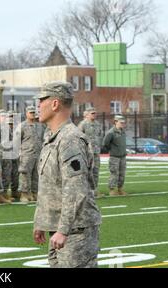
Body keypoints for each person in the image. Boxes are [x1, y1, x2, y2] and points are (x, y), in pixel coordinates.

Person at [32, 82, 102, 268]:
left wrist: (63, 230)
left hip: (75, 231)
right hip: (61, 230)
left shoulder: (70, 139)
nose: (37, 106)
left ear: (55, 104)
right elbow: (50, 186)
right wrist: (41, 222)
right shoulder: (53, 137)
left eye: (41, 101)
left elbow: (76, 189)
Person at [15, 106, 45, 203]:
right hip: (26, 154)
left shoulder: (40, 126)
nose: (32, 114)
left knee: (37, 175)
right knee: (25, 174)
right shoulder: (22, 126)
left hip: (38, 153)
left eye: (33, 112)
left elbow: (44, 138)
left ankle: (34, 193)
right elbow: (16, 141)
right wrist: (19, 152)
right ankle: (24, 194)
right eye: (30, 112)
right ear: (26, 113)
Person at [78, 107, 104, 198]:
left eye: (95, 113)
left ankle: (94, 190)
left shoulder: (97, 124)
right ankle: (86, 191)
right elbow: (79, 138)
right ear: (87, 114)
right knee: (87, 172)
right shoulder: (83, 124)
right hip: (87, 152)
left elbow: (100, 135)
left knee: (96, 171)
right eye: (92, 113)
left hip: (96, 152)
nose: (94, 115)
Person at [103, 115, 127, 197]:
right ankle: (112, 189)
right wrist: (112, 150)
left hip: (123, 156)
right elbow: (105, 143)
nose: (123, 124)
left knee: (122, 174)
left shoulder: (123, 131)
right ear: (116, 122)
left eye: (124, 123)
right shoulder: (111, 132)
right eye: (121, 122)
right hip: (114, 157)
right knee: (114, 173)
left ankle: (120, 188)